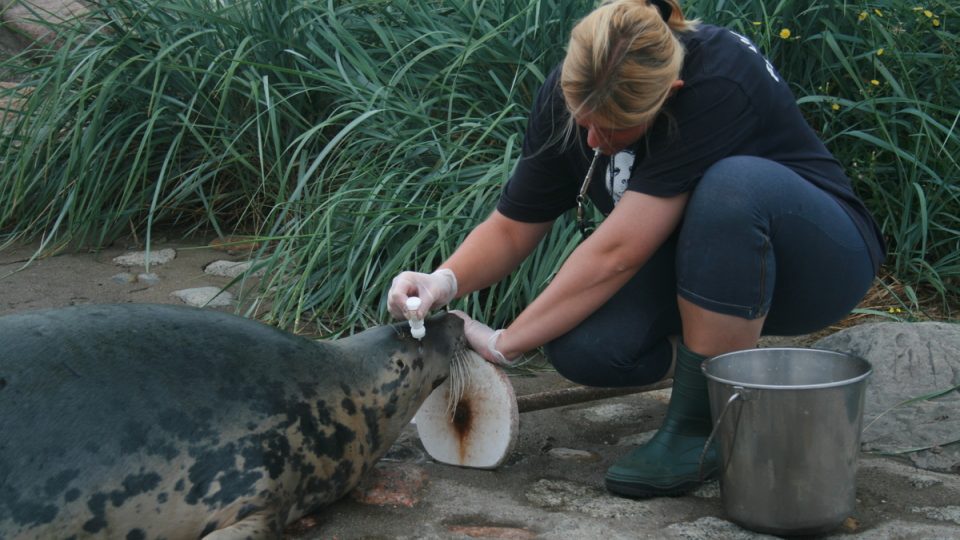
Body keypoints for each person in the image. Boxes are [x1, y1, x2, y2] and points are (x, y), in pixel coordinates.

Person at [387, 0, 885, 498]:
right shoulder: (578, 86)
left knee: (734, 188)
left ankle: (701, 426)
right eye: (584, 121)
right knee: (587, 347)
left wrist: (507, 342)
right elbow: (513, 228)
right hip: (699, 269)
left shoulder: (720, 79)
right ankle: (718, 362)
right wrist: (441, 280)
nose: (594, 140)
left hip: (817, 261)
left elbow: (618, 252)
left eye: (612, 127)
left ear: (670, 94)